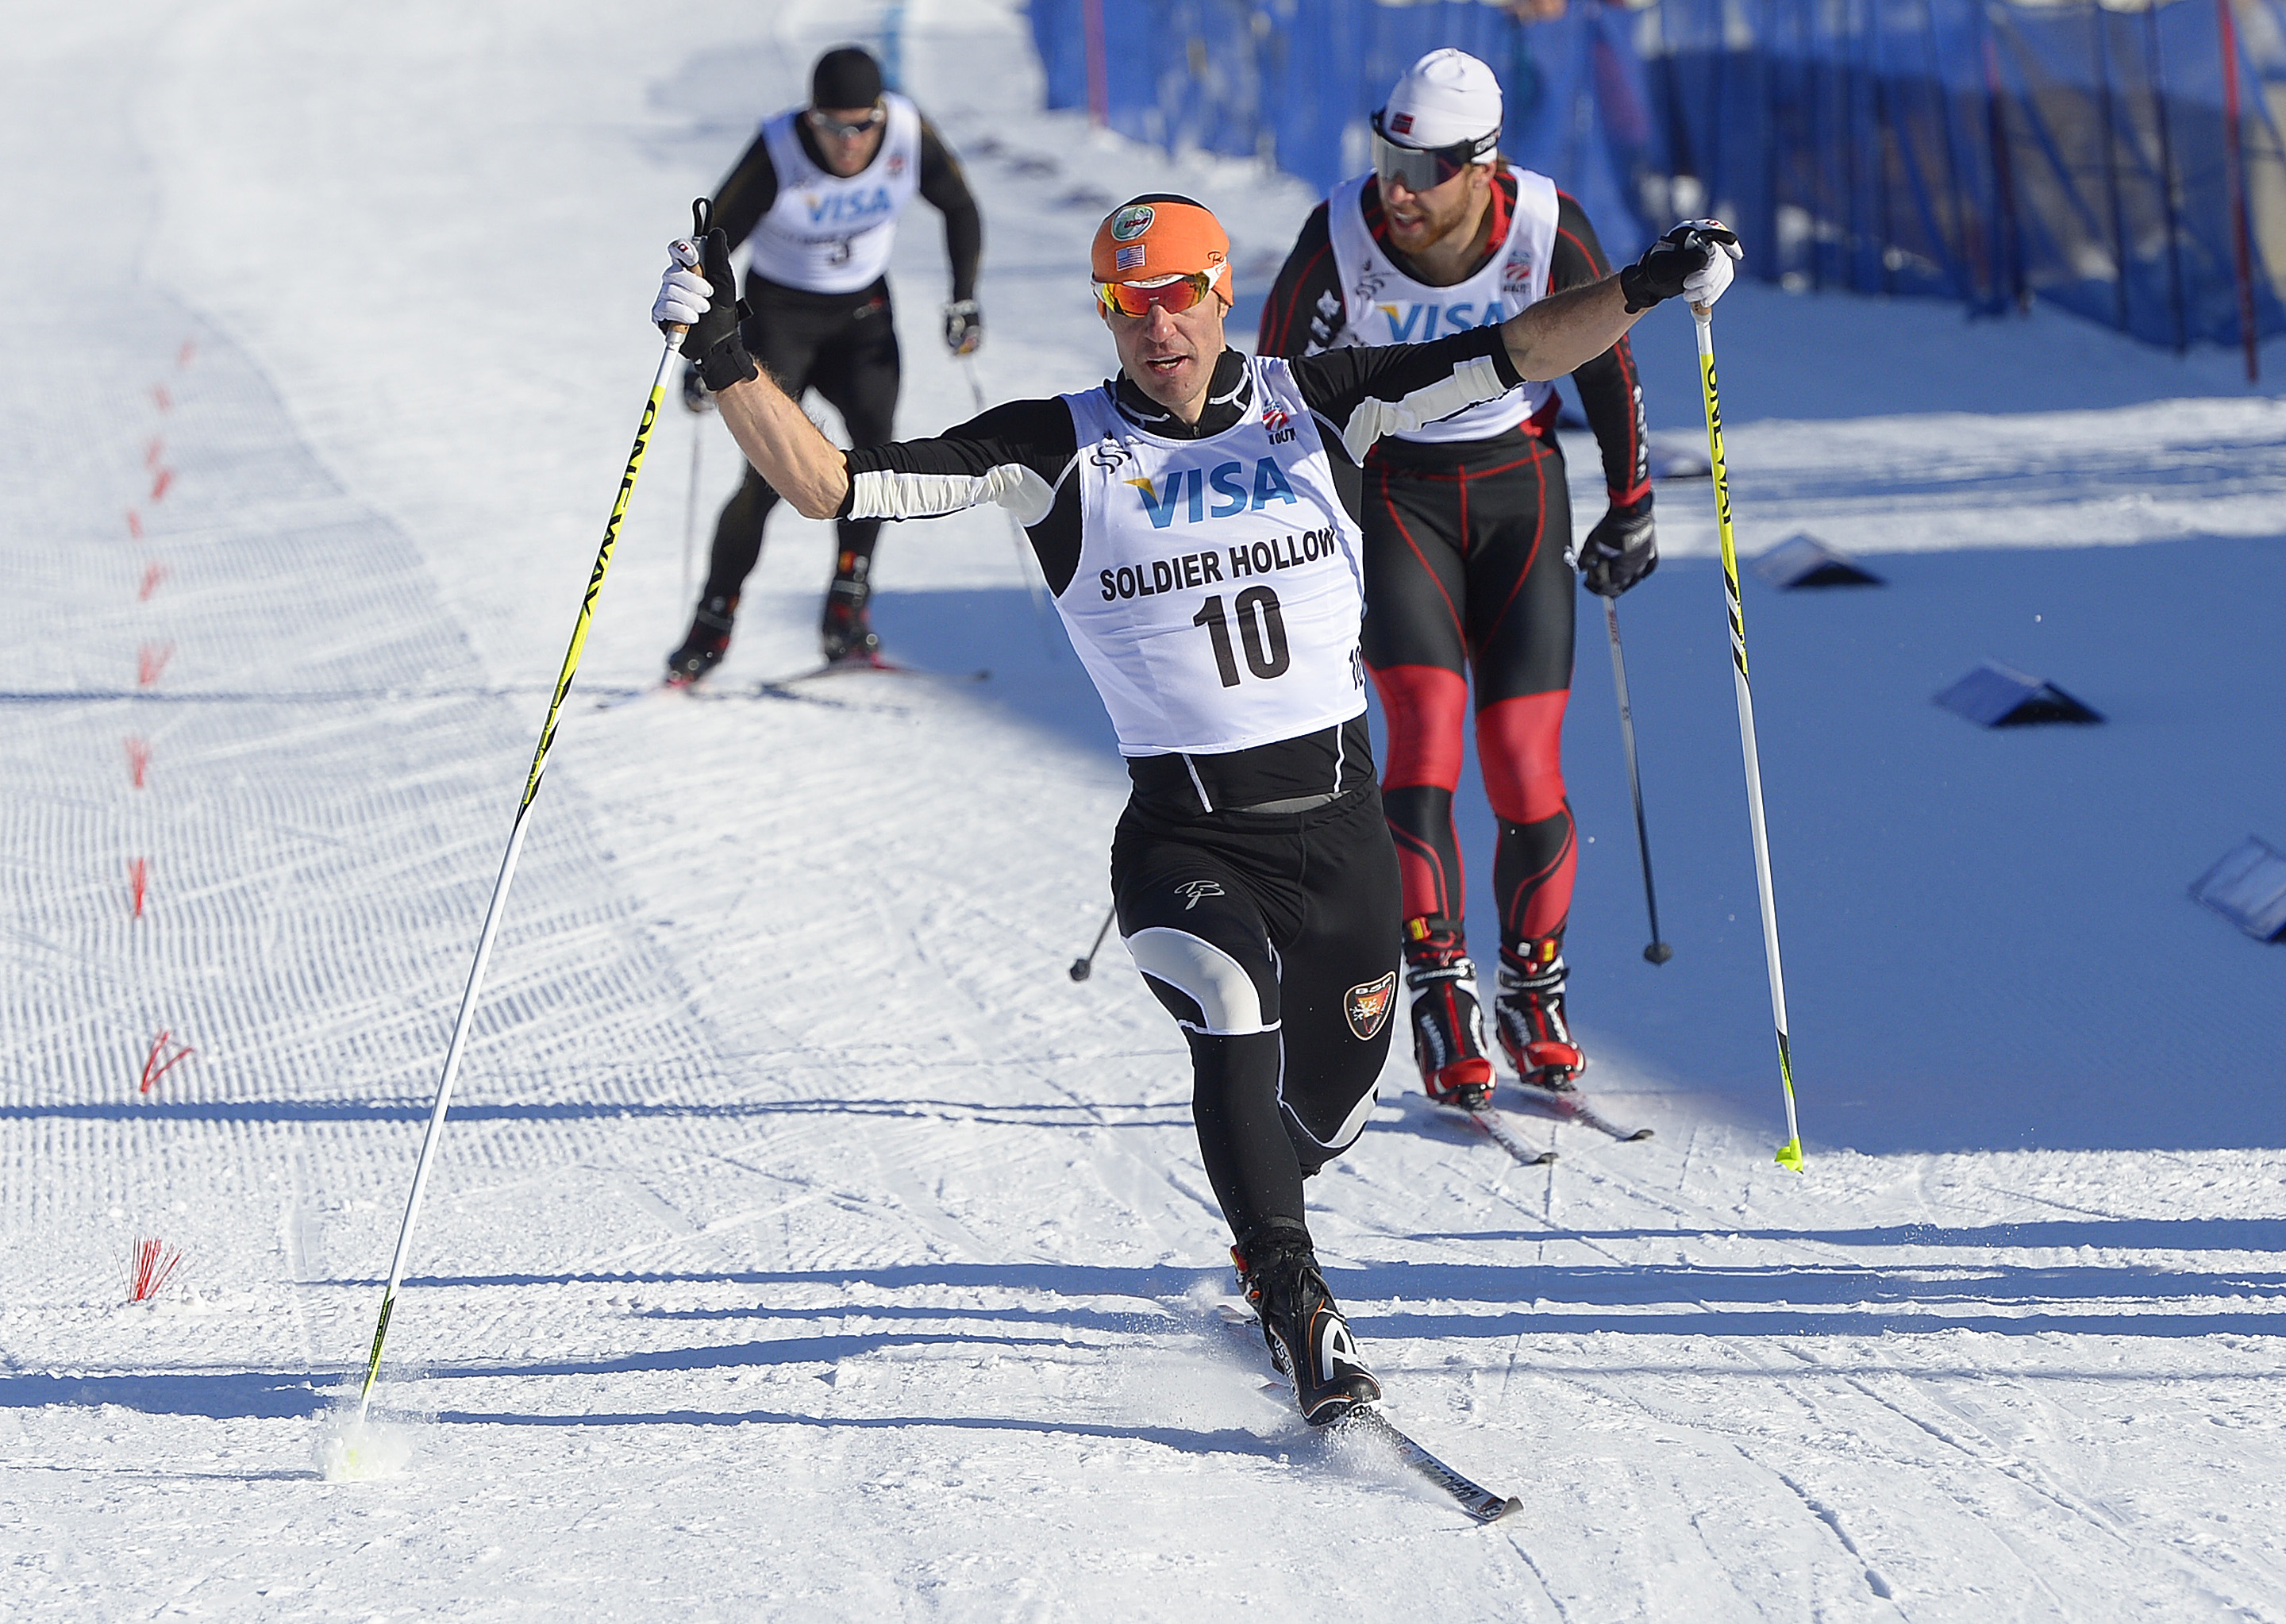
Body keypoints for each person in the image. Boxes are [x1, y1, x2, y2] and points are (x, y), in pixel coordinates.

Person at [650, 195, 1734, 1421]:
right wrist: (728, 355)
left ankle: (1268, 1200)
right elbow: (830, 482)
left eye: (1178, 296)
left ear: (1223, 293)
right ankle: (1292, 1289)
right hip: (1187, 838)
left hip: (1341, 832)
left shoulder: (1322, 399)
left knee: (1330, 1111)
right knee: (1230, 1002)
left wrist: (1645, 284)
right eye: (1128, 306)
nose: (1156, 327)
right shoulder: (1052, 448)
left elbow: (1522, 348)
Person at [1258, 48, 1678, 1111]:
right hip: (1397, 496)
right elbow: (1270, 393)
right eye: (1386, 157)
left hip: (1520, 493)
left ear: (1482, 163)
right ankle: (1438, 980)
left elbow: (1608, 366)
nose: (1396, 189)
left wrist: (1632, 507)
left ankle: (1534, 984)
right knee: (1428, 734)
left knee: (1526, 763)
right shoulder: (1342, 234)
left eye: (1424, 169)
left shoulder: (1546, 228)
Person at [666, 44, 984, 683]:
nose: (849, 142)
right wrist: (702, 354)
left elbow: (960, 206)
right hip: (780, 320)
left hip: (863, 316)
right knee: (768, 475)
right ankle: (712, 624)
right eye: (832, 127)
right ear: (809, 118)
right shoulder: (779, 146)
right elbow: (713, 244)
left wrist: (964, 297)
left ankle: (846, 615)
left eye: (862, 125)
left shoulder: (905, 130)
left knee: (876, 463)